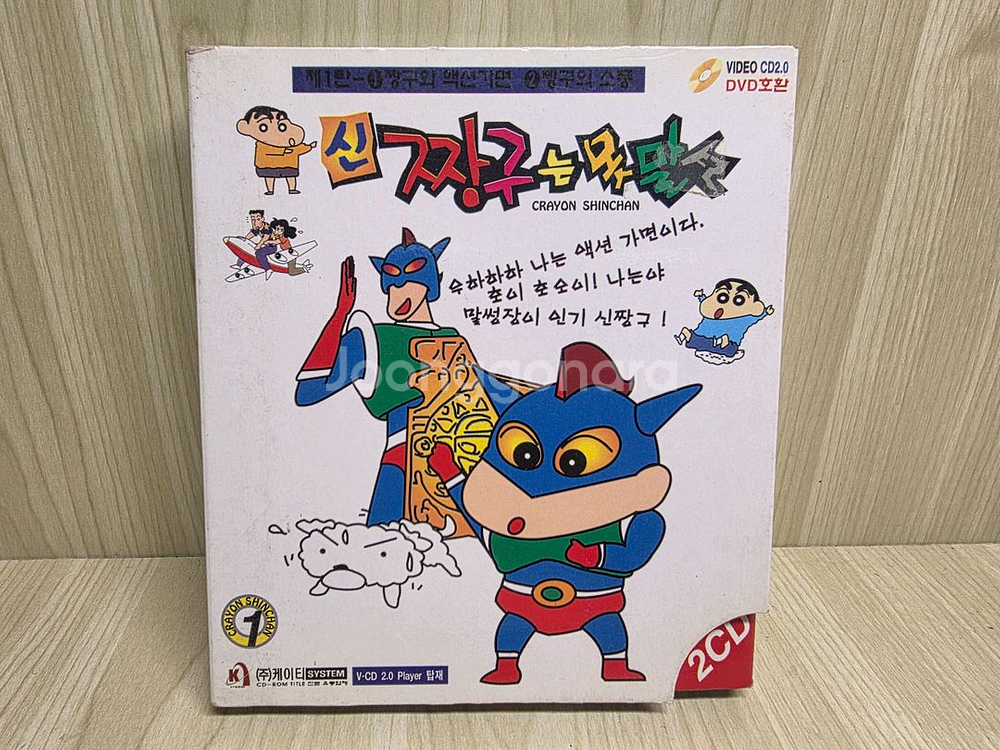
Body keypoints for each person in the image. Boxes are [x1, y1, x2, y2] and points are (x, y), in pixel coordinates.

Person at [294, 228, 460, 525]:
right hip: (402, 463)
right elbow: (308, 391)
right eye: (392, 284)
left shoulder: (452, 338)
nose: (398, 293)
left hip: (456, 463)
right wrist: (340, 316)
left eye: (410, 282)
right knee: (387, 546)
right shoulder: (373, 339)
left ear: (431, 286)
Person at [675, 278, 774, 364]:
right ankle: (720, 341)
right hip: (709, 340)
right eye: (722, 297)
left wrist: (765, 312)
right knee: (725, 349)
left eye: (739, 300)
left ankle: (689, 334)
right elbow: (704, 301)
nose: (727, 305)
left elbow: (756, 317)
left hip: (708, 340)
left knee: (703, 343)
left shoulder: (743, 319)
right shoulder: (711, 312)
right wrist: (701, 296)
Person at [236, 106, 316, 195]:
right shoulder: (262, 145)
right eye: (263, 127)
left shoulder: (291, 146)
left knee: (290, 176)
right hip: (268, 166)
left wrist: (310, 146)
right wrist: (282, 151)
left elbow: (299, 149)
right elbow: (265, 152)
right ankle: (270, 190)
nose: (275, 133)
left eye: (282, 126)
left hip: (289, 165)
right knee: (269, 177)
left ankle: (292, 189)